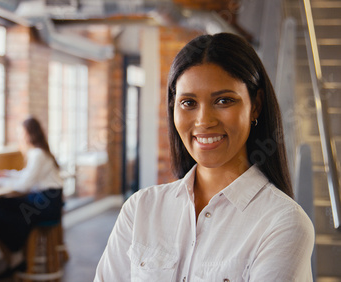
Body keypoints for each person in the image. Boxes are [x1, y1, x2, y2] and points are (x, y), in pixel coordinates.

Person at [94, 33, 314, 281]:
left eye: (223, 100)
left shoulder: (283, 224)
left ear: (256, 105)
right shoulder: (140, 209)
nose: (204, 121)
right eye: (188, 103)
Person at [0, 116, 63, 278]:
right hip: (49, 201)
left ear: (28, 134)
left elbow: (24, 185)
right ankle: (16, 252)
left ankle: (15, 252)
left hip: (46, 203)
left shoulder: (37, 154)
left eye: (20, 133)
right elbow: (27, 176)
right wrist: (6, 175)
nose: (19, 137)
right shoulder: (40, 152)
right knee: (1, 206)